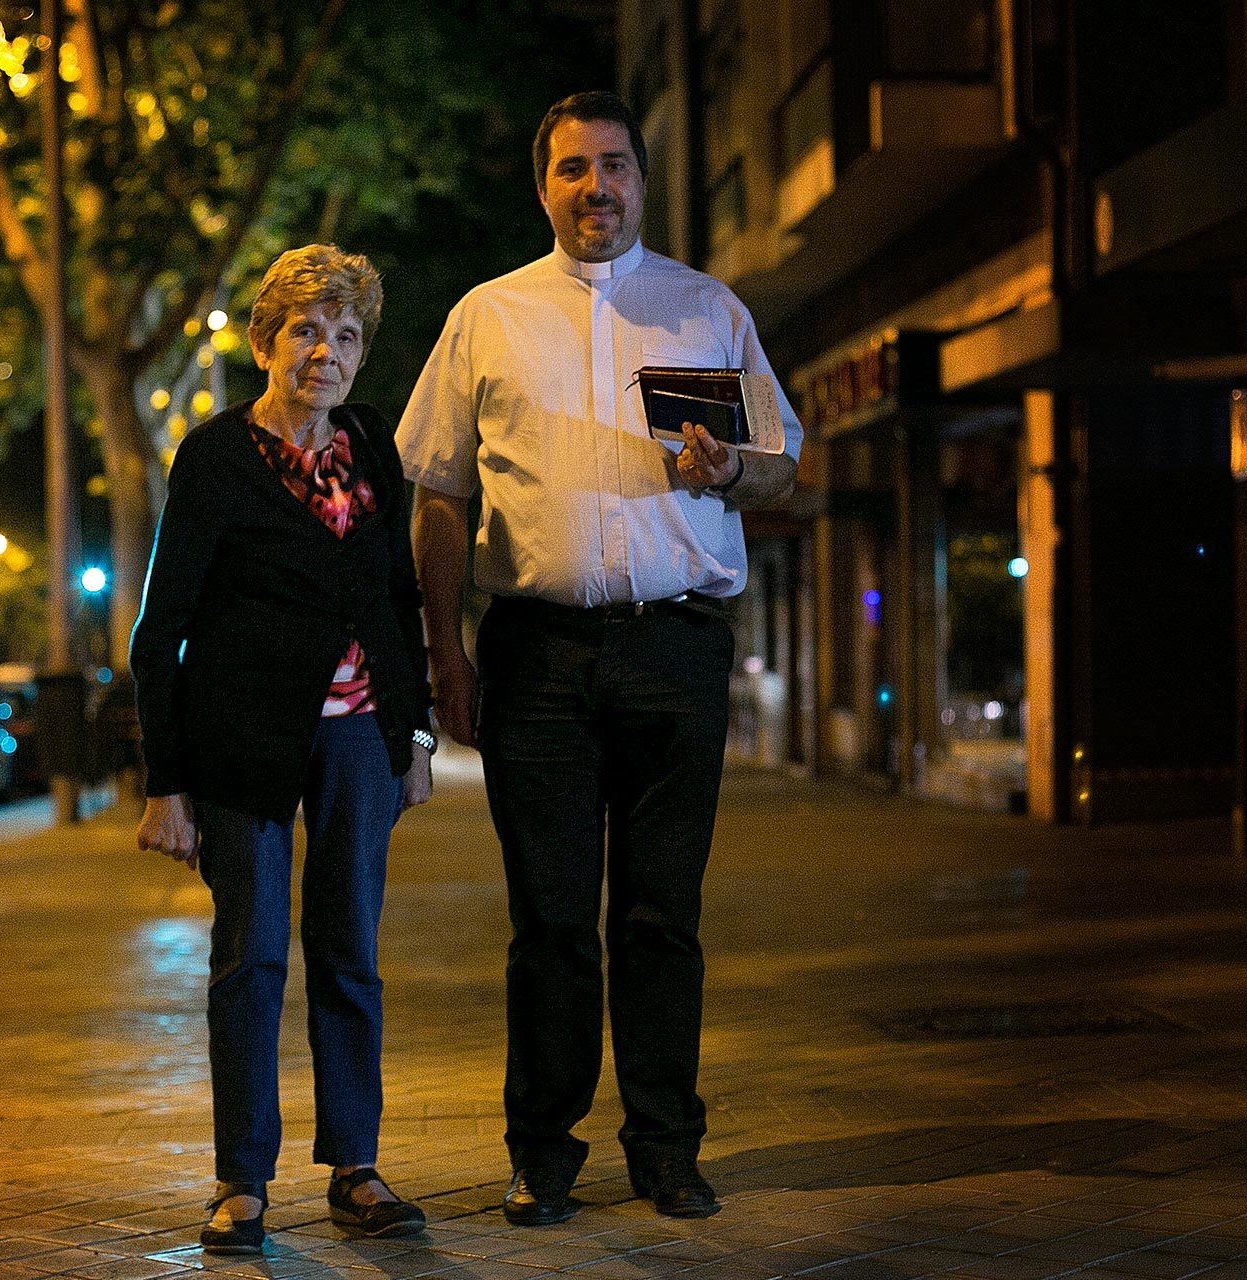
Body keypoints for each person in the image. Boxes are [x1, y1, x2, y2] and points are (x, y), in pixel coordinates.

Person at [397, 91, 803, 1225]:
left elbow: (781, 462)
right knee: (551, 922)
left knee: (662, 915)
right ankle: (543, 1151)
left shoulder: (705, 309)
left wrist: (728, 471)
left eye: (613, 165)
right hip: (535, 655)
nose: (596, 186)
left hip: (674, 647)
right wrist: (446, 655)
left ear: (639, 179)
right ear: (545, 188)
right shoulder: (485, 315)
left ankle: (666, 1145)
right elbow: (435, 492)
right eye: (571, 168)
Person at [132, 243, 435, 1255]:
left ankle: (355, 1164)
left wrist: (413, 731)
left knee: (350, 949)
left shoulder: (370, 446)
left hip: (358, 736)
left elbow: (396, 597)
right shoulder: (216, 457)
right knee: (249, 956)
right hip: (239, 745)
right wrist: (163, 781)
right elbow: (158, 627)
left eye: (344, 334)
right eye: (306, 330)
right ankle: (240, 1177)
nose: (326, 351)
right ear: (265, 341)